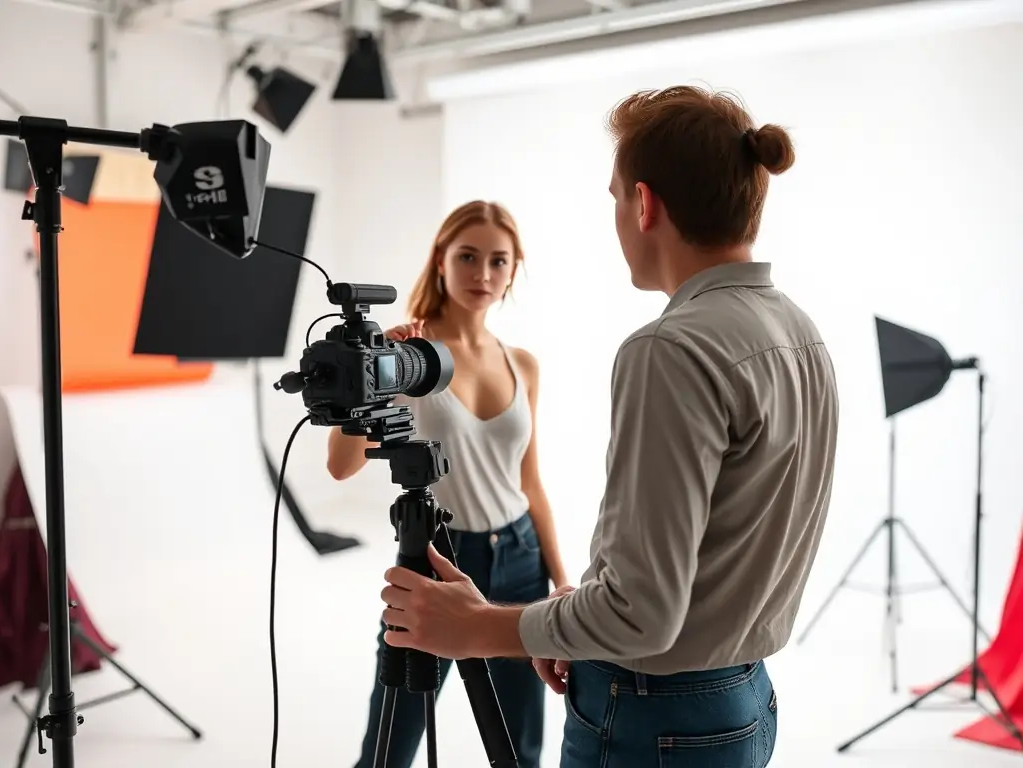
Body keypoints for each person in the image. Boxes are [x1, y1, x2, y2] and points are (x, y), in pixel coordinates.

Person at [378, 85, 841, 767]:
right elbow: (699, 560)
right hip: (744, 700)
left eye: (616, 197)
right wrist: (560, 619)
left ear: (644, 204)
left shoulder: (670, 349)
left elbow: (640, 616)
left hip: (653, 715)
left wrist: (481, 628)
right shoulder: (801, 333)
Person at [327, 200, 568, 768]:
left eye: (497, 261)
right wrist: (372, 366)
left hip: (519, 559)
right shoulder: (406, 354)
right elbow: (340, 466)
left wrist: (560, 579)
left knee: (520, 750)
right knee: (389, 746)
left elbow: (530, 481)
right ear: (441, 261)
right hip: (435, 558)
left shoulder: (524, 364)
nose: (482, 274)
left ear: (514, 270)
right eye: (467, 256)